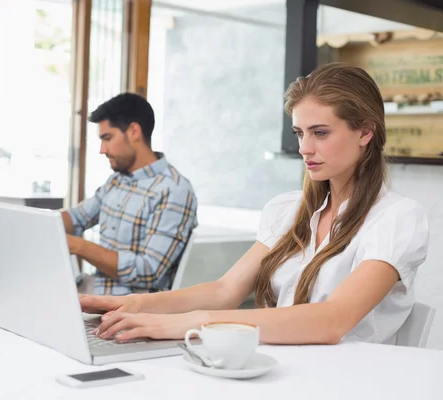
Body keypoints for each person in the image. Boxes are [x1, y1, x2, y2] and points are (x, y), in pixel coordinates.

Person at [80, 63, 429, 345]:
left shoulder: (396, 218)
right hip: (282, 370)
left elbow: (332, 321)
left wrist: (196, 324)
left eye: (320, 132)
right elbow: (225, 291)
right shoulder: (289, 210)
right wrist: (134, 305)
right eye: (299, 133)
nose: (305, 148)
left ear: (365, 133)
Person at [62, 93, 198, 295]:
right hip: (92, 294)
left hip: (127, 310)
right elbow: (77, 218)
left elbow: (149, 270)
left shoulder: (174, 190)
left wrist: (79, 247)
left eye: (107, 138)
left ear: (134, 132)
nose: (102, 150)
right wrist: (40, 223)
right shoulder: (117, 181)